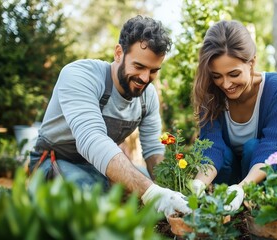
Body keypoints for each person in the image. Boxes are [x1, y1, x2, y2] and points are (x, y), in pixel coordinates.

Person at [28, 15, 190, 218]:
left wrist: (168, 192)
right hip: (54, 160)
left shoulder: (147, 96)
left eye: (153, 70)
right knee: (86, 194)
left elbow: (153, 151)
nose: (145, 78)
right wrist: (151, 193)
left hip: (99, 166)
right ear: (119, 53)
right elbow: (91, 139)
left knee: (146, 181)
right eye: (139, 67)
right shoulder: (80, 75)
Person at [191, 20, 277, 211]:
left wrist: (241, 189)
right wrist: (197, 185)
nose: (225, 84)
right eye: (216, 75)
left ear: (252, 62)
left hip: (259, 180)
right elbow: (211, 146)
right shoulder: (211, 92)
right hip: (226, 175)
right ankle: (225, 207)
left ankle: (253, 207)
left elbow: (275, 146)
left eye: (233, 74)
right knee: (226, 155)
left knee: (252, 147)